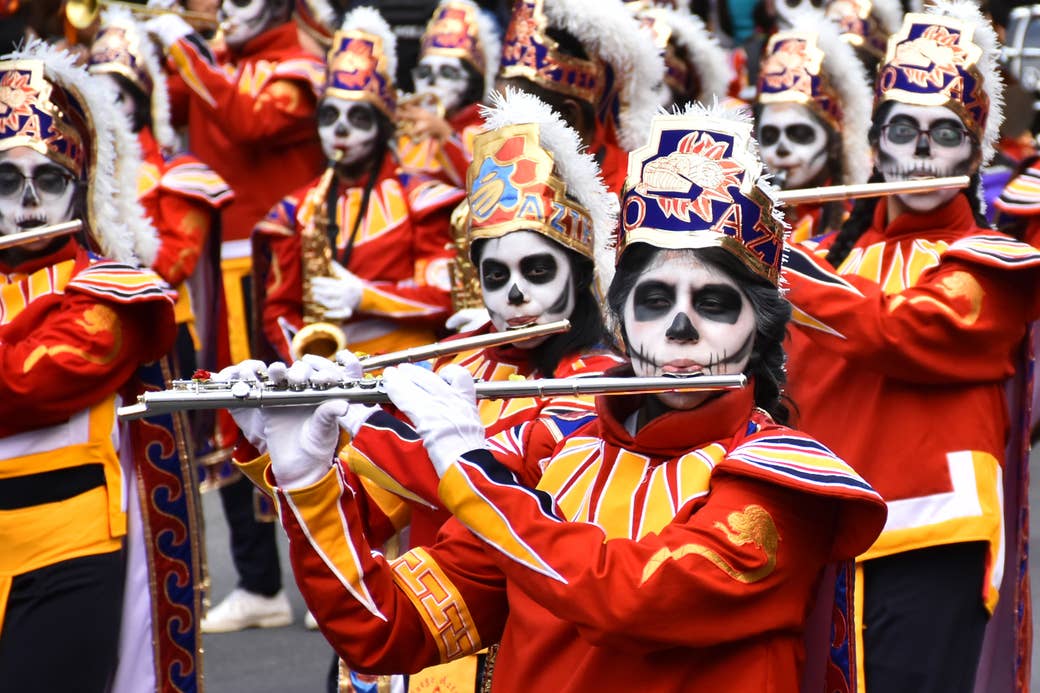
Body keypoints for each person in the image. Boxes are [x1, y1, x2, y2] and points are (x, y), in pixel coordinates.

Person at [222, 104, 888, 691]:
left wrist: (467, 465)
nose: (680, 328)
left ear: (759, 326)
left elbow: (628, 596)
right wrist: (306, 480)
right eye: (655, 299)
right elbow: (390, 628)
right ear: (621, 316)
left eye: (714, 302)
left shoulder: (781, 483)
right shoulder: (553, 448)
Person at [781, 3, 1040, 691]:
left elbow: (903, 329)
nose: (921, 150)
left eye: (944, 133)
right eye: (902, 129)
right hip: (823, 532)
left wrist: (780, 273)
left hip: (932, 538)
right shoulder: (826, 261)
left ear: (975, 150)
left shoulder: (994, 261)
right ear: (875, 146)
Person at [0, 40, 177, 692]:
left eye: (47, 179)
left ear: (77, 192)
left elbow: (24, 384)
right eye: (5, 179)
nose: (26, 202)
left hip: (68, 553)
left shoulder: (115, 294)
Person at [255, 6, 465, 364]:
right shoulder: (294, 210)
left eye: (358, 117)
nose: (340, 130)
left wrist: (365, 297)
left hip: (409, 365)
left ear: (382, 126)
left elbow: (447, 299)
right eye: (329, 115)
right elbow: (278, 309)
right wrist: (304, 363)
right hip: (325, 374)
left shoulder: (421, 199)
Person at [496, 0, 664, 195]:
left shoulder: (635, 192)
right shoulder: (499, 170)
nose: (499, 131)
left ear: (569, 116)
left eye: (514, 121)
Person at [754, 12, 872, 242]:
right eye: (769, 135)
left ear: (833, 141)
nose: (781, 149)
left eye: (799, 133)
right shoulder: (746, 220)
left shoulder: (857, 218)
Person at [396, 0, 501, 188]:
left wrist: (445, 135)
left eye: (447, 72)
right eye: (424, 72)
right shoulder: (407, 127)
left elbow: (487, 190)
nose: (432, 82)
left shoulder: (486, 131)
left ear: (472, 81)